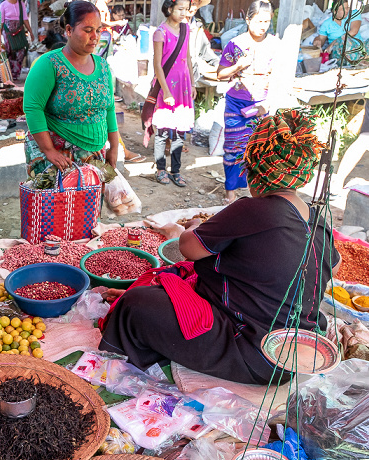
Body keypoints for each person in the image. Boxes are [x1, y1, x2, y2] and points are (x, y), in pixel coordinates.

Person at [100, 109, 341, 385]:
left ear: (254, 171)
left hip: (253, 351)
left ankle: (127, 362)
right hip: (298, 351)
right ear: (302, 174)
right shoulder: (318, 220)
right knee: (180, 279)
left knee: (136, 306)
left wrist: (190, 227)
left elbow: (189, 248)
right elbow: (332, 264)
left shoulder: (254, 210)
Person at [23, 0, 118, 180]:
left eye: (98, 30)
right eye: (88, 30)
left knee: (89, 206)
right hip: (59, 158)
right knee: (59, 207)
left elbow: (109, 108)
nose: (95, 37)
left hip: (95, 155)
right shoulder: (49, 64)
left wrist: (113, 147)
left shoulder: (103, 66)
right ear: (68, 30)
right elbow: (33, 107)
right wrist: (49, 151)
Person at [217, 0, 278, 204]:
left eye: (267, 22)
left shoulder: (274, 45)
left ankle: (254, 193)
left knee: (259, 149)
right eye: (259, 21)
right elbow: (220, 74)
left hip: (262, 105)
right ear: (248, 19)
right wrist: (237, 66)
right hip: (236, 104)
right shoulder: (235, 44)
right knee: (234, 147)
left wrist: (268, 103)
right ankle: (230, 194)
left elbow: (281, 77)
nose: (263, 26)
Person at [151, 0, 194, 188]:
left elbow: (189, 58)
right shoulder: (160, 33)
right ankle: (161, 168)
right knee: (162, 130)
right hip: (166, 86)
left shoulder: (186, 29)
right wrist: (166, 91)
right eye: (180, 9)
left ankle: (176, 170)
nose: (184, 13)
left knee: (179, 132)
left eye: (186, 9)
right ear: (169, 9)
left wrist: (192, 83)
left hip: (183, 87)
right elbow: (157, 64)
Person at [185, 0, 218, 84]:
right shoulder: (172, 26)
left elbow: (206, 52)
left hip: (192, 77)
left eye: (194, 4)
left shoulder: (197, 26)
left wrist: (218, 64)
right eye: (189, 4)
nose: (192, 7)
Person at [0, 0, 33, 80]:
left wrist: (30, 32)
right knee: (10, 52)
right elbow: (1, 21)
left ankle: (16, 74)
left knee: (21, 51)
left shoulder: (21, 4)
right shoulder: (3, 5)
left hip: (19, 31)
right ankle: (11, 75)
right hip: (8, 32)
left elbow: (25, 19)